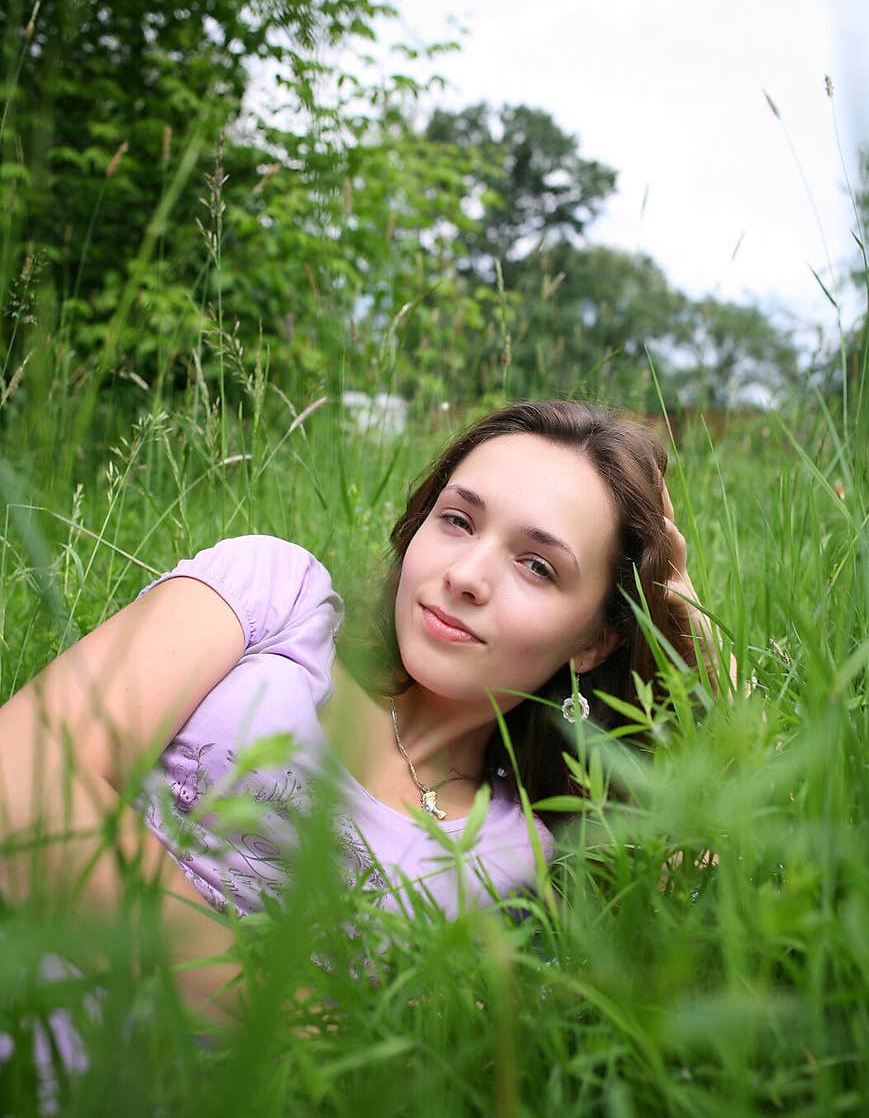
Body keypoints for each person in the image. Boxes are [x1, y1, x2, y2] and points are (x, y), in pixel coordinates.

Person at [0, 399, 729, 1019]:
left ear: (595, 639)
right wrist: (275, 1020)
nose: (466, 575)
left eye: (536, 565)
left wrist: (686, 628)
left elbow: (702, 905)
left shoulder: (529, 855)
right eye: (458, 521)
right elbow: (19, 770)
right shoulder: (278, 601)